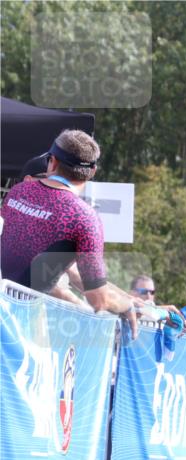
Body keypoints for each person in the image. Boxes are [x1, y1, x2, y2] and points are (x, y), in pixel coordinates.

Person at [0, 130, 138, 336]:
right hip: (21, 331)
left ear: (52, 162)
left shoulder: (18, 192)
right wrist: (126, 305)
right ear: (92, 172)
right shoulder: (85, 218)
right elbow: (98, 299)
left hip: (9, 314)